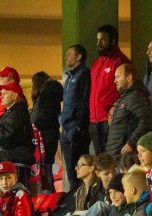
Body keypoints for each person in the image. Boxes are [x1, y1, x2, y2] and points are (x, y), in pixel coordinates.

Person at [89, 24, 130, 154]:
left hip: (111, 119)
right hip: (94, 120)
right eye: (97, 40)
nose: (98, 43)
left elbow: (126, 90)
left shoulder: (120, 61)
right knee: (100, 159)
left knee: (112, 158)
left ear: (113, 41)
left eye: (103, 40)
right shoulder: (96, 64)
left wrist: (115, 110)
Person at [104, 63, 152, 158]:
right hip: (116, 155)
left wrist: (131, 143)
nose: (115, 80)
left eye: (118, 76)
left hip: (125, 156)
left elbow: (147, 121)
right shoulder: (126, 97)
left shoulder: (136, 96)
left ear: (129, 77)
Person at [60, 44, 91, 191]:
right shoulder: (69, 77)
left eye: (69, 54)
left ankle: (81, 196)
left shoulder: (84, 74)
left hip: (76, 129)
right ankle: (74, 196)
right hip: (66, 129)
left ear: (78, 57)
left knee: (79, 169)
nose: (65, 57)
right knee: (71, 171)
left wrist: (78, 126)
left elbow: (85, 101)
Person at [30, 71, 63, 190]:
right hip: (51, 133)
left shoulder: (45, 93)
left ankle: (47, 191)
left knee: (45, 167)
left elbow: (40, 116)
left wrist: (33, 125)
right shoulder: (52, 90)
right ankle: (49, 190)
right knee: (48, 165)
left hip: (44, 134)